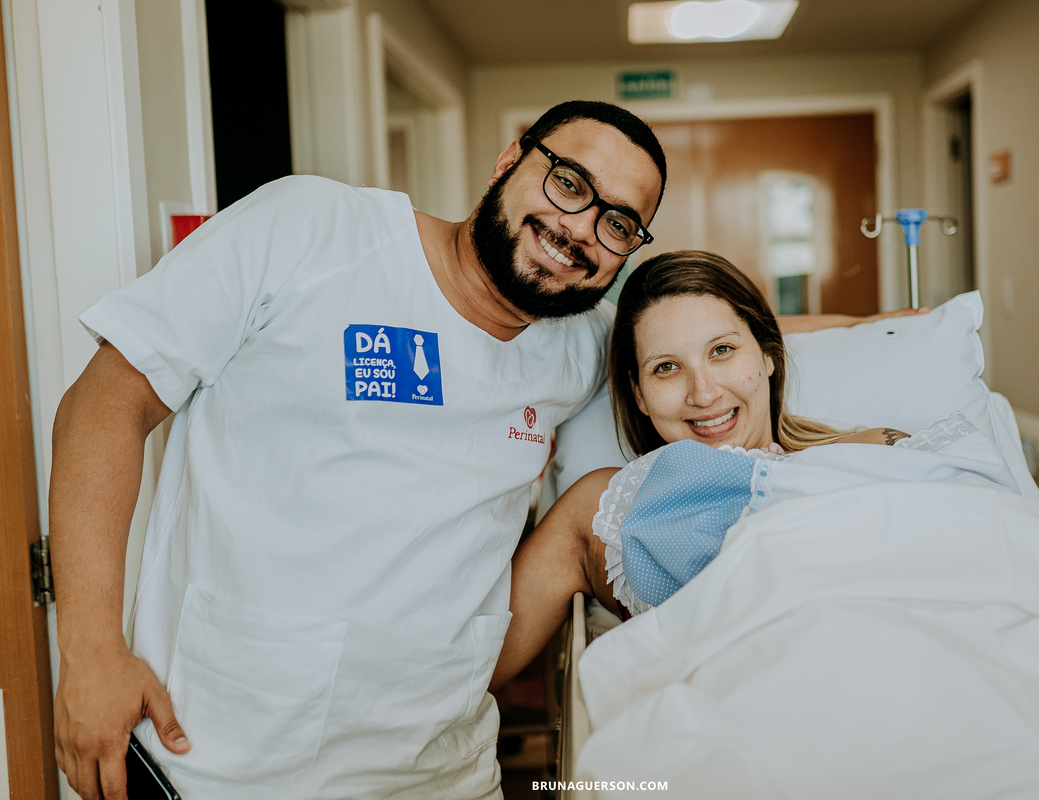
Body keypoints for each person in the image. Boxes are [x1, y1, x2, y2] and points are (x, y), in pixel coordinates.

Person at [51, 99, 918, 798]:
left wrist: (909, 329)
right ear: (512, 160)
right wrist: (89, 650)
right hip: (220, 758)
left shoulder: (575, 342)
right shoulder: (311, 230)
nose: (582, 228)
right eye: (570, 183)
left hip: (441, 772)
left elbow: (712, 335)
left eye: (620, 223)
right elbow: (101, 407)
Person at [490, 251, 910, 688]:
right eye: (666, 367)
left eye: (722, 350)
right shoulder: (605, 508)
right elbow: (471, 671)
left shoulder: (876, 450)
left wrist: (859, 323)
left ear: (767, 355)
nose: (704, 394)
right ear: (639, 393)